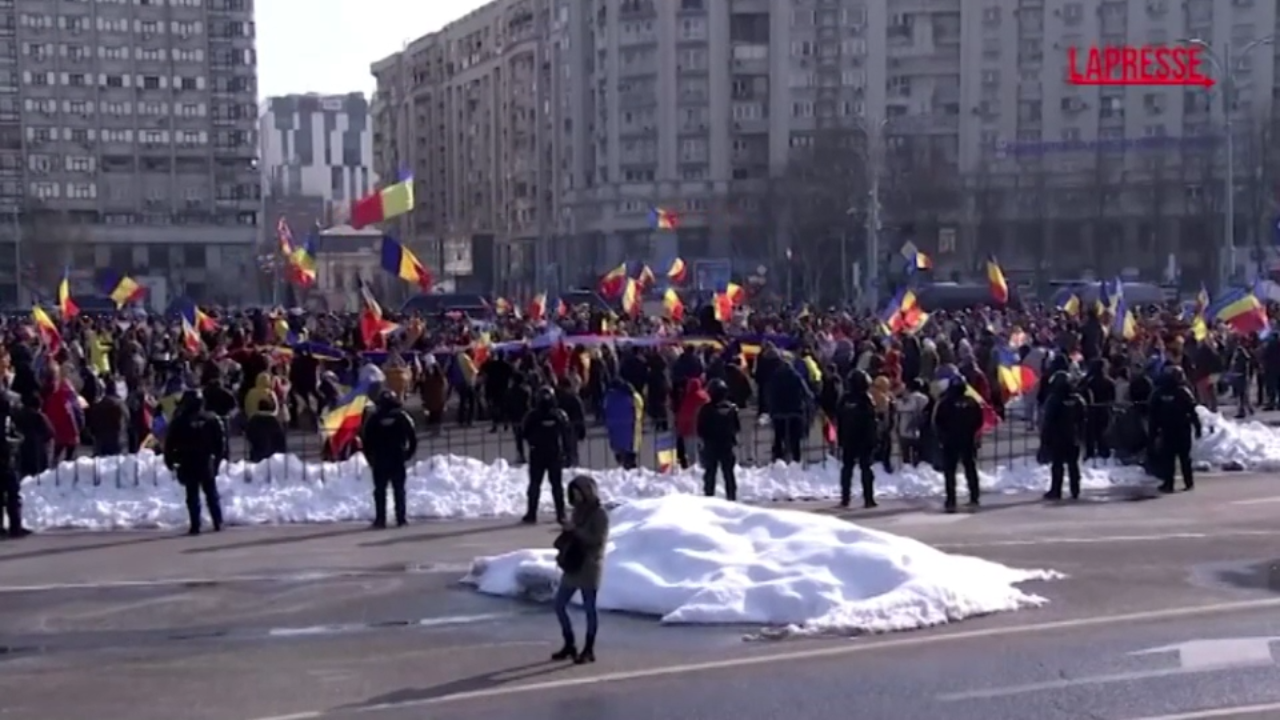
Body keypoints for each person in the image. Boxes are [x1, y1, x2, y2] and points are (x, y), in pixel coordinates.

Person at [552, 475, 609, 665]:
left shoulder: (599, 514)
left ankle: (589, 648)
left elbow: (596, 540)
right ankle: (569, 643)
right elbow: (574, 534)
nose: (576, 498)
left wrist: (575, 530)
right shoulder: (577, 512)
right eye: (573, 494)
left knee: (589, 608)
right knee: (559, 604)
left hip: (590, 566)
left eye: (578, 493)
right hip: (573, 565)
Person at [163, 390, 227, 535]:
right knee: (211, 493)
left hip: (188, 461)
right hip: (205, 461)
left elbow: (170, 443)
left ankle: (195, 525)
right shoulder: (211, 419)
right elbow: (220, 442)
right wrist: (217, 458)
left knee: (193, 495)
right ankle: (218, 522)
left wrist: (170, 460)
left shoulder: (180, 421)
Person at [360, 390, 418, 528]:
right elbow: (412, 438)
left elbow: (366, 441)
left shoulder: (374, 418)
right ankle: (401, 519)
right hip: (397, 458)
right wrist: (407, 454)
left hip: (380, 460)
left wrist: (370, 459)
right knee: (399, 490)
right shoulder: (402, 416)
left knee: (380, 491)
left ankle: (380, 520)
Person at [521, 386, 571, 523]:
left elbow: (524, 432)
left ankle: (532, 513)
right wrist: (567, 452)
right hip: (553, 453)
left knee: (535, 485)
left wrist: (533, 441)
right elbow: (566, 433)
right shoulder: (559, 415)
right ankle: (560, 514)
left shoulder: (533, 415)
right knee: (556, 486)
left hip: (538, 453)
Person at [932, 377, 983, 513]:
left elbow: (938, 422)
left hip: (950, 441)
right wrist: (972, 432)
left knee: (950, 471)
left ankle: (951, 500)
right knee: (970, 468)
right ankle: (974, 496)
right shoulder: (972, 402)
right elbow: (979, 420)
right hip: (968, 440)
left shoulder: (946, 402)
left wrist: (942, 438)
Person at [1148, 366, 1202, 493]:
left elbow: (1153, 415)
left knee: (1169, 458)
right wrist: (1197, 426)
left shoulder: (1160, 393)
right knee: (1183, 457)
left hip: (1169, 430)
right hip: (1181, 429)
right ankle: (1187, 482)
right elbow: (1193, 411)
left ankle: (1169, 483)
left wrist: (1153, 432)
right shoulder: (1183, 391)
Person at [1041, 371, 1086, 501]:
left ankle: (1056, 490)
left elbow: (1048, 420)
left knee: (1057, 465)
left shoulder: (1054, 400)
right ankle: (1075, 489)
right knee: (1073, 465)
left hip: (1058, 438)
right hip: (1073, 437)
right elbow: (1083, 419)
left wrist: (1045, 439)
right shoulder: (1078, 399)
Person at [836, 370, 878, 508]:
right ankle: (868, 499)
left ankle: (845, 498)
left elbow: (839, 419)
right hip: (864, 439)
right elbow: (872, 421)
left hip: (848, 439)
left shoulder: (845, 400)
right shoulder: (866, 399)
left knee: (847, 468)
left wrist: (840, 438)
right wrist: (874, 439)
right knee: (866, 468)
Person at [696, 378, 740, 500]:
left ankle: (709, 497)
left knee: (710, 474)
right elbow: (737, 427)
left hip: (711, 446)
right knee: (729, 474)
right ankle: (731, 497)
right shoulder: (732, 409)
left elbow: (700, 429)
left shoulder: (706, 409)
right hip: (727, 445)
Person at [0, 393, 28, 537]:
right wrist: (17, 441)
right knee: (12, 494)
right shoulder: (5, 419)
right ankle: (15, 527)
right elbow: (8, 439)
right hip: (6, 460)